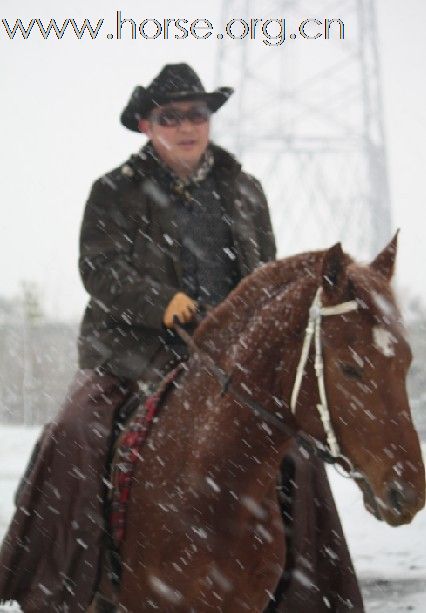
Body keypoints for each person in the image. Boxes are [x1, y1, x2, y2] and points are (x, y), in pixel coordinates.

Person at [0, 63, 364, 612]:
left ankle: (308, 594)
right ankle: (64, 582)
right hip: (131, 353)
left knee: (300, 452)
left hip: (229, 361)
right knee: (76, 432)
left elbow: (262, 273)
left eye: (197, 114)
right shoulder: (113, 191)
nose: (187, 126)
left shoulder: (243, 189)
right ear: (147, 125)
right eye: (171, 117)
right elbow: (99, 271)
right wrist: (160, 303)